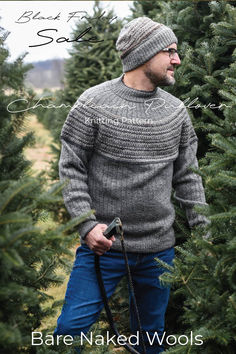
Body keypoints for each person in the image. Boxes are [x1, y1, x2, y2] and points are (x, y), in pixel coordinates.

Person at [54, 17, 208, 353]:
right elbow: (71, 167)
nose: (177, 59)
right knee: (69, 333)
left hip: (159, 252)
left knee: (150, 338)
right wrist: (86, 224)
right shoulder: (93, 103)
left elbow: (188, 177)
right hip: (103, 247)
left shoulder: (176, 112)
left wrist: (205, 236)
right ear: (143, 55)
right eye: (170, 51)